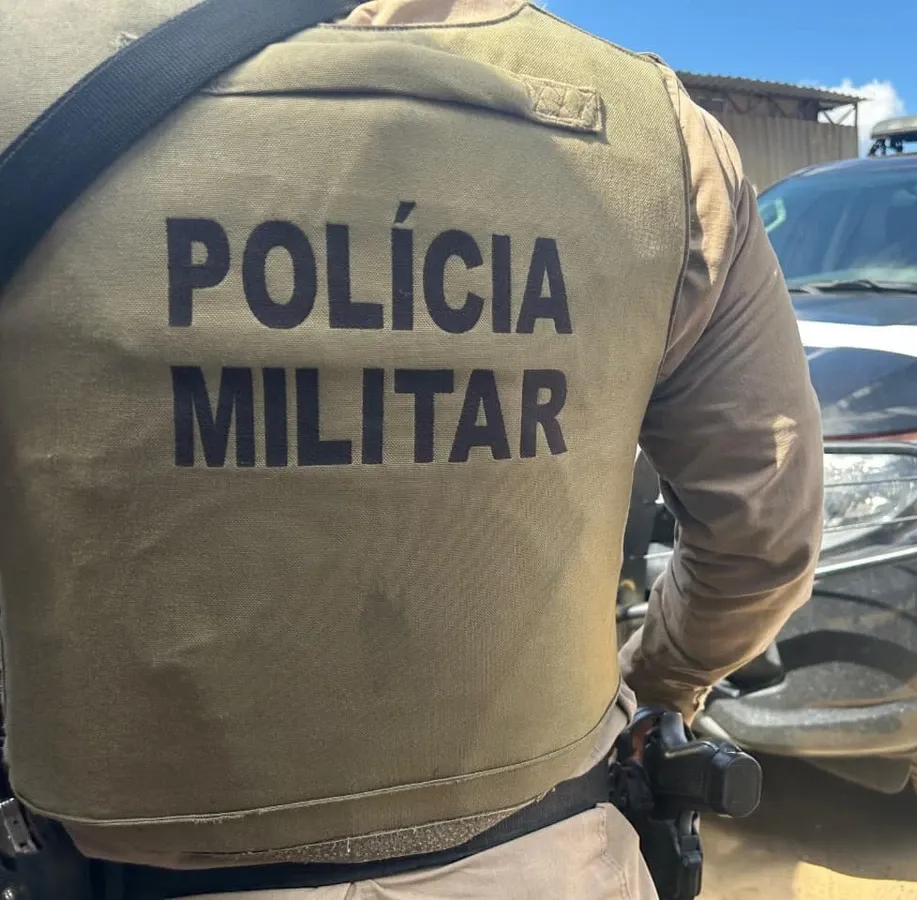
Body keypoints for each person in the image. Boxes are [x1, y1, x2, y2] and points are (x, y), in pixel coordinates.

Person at [0, 1, 824, 898]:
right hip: (547, 858)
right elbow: (764, 534)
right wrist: (659, 686)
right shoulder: (660, 138)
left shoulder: (26, 70)